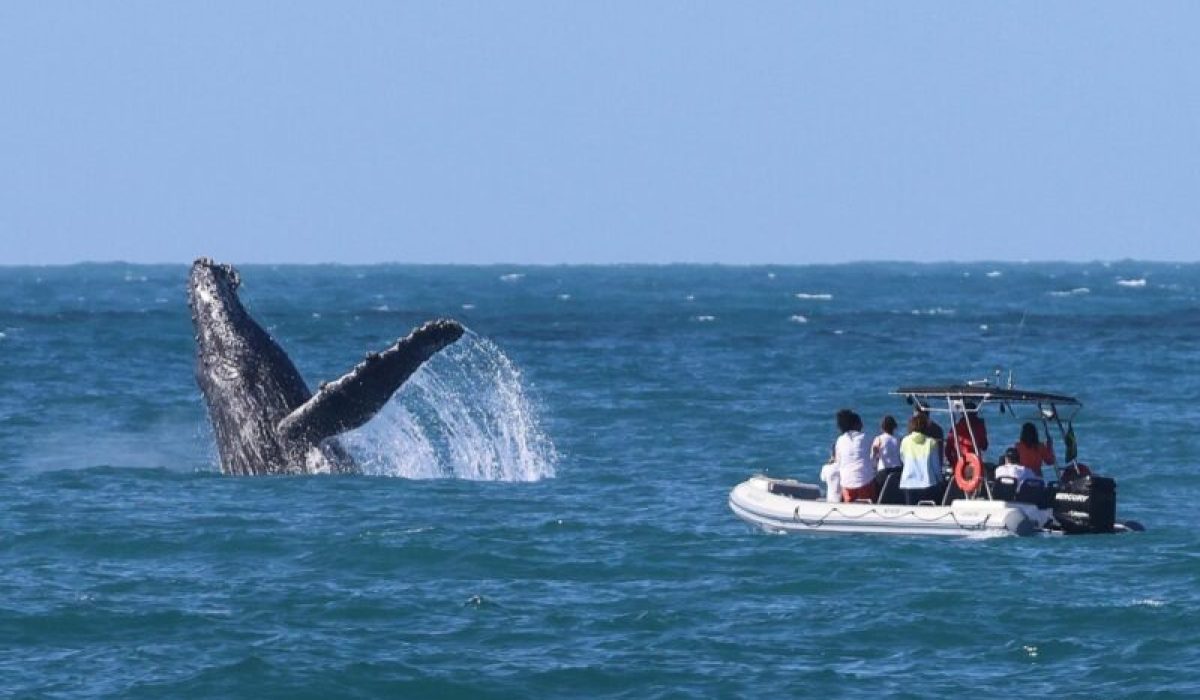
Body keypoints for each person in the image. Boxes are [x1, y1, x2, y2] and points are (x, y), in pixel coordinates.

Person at [899, 413, 944, 505]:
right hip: (927, 484)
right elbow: (936, 467)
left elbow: (903, 459)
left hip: (908, 484)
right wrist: (940, 480)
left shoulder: (905, 441)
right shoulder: (931, 442)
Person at [833, 409, 876, 503]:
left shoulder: (840, 440)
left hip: (847, 483)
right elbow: (874, 456)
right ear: (855, 424)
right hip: (865, 482)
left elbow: (838, 462)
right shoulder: (865, 437)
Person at [945, 401, 988, 466]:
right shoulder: (978, 427)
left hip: (959, 465)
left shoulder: (955, 428)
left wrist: (954, 464)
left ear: (962, 414)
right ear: (975, 413)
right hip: (975, 465)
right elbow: (984, 446)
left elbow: (947, 451)